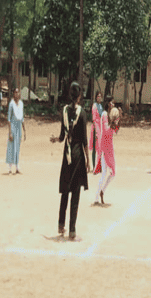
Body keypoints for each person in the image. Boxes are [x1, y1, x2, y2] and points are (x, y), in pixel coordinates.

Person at [50, 82, 89, 240]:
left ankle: (61, 224)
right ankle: (72, 230)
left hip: (67, 156)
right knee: (76, 194)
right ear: (79, 96)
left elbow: (62, 136)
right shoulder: (82, 113)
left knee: (65, 191)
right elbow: (84, 140)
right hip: (78, 156)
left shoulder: (64, 111)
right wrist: (88, 161)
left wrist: (56, 139)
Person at [95, 100, 119, 205]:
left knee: (113, 173)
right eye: (111, 102)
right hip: (104, 146)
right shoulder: (105, 114)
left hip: (110, 147)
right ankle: (96, 197)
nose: (112, 104)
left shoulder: (111, 115)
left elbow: (116, 131)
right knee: (104, 173)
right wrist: (113, 122)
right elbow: (106, 130)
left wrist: (118, 120)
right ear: (108, 104)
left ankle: (102, 191)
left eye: (113, 103)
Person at [6, 87, 27, 174]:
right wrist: (10, 132)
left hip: (19, 127)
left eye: (18, 92)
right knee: (11, 146)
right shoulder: (11, 104)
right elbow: (9, 119)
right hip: (13, 126)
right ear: (13, 94)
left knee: (17, 146)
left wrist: (24, 130)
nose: (17, 94)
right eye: (15, 92)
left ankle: (17, 166)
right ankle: (10, 167)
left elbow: (22, 118)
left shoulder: (21, 104)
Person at [89, 91, 104, 171]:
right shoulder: (95, 106)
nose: (99, 98)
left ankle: (99, 165)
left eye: (100, 96)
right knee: (95, 148)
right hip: (96, 128)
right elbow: (94, 119)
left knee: (100, 148)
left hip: (100, 128)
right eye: (98, 96)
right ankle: (94, 166)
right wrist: (95, 131)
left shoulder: (100, 106)